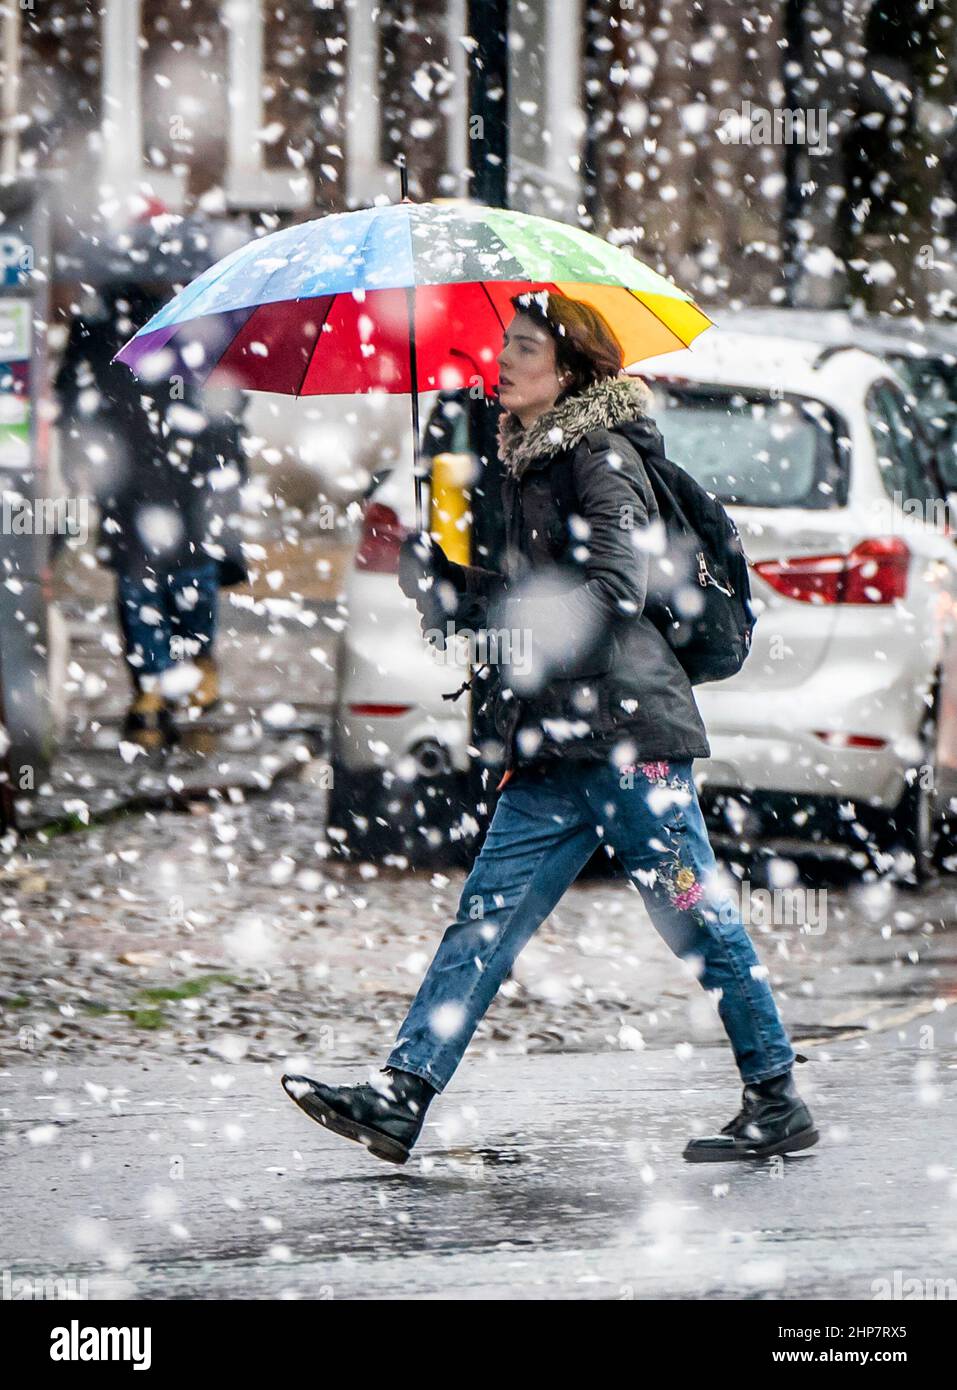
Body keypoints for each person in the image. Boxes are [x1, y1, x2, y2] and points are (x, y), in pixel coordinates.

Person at [282, 290, 817, 1166]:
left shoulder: (600, 457)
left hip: (629, 738)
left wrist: (513, 628)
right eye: (503, 346)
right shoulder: (528, 461)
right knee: (483, 920)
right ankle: (401, 1094)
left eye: (522, 349)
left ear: (567, 372)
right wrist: (447, 582)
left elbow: (613, 590)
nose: (501, 362)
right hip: (559, 744)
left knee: (693, 912)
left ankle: (774, 1095)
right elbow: (522, 602)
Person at [55, 282, 248, 748]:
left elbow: (233, 390)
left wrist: (225, 449)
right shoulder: (102, 317)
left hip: (190, 466)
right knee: (140, 578)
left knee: (190, 575)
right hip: (130, 467)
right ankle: (154, 685)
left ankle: (191, 663)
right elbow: (70, 387)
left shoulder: (201, 309)